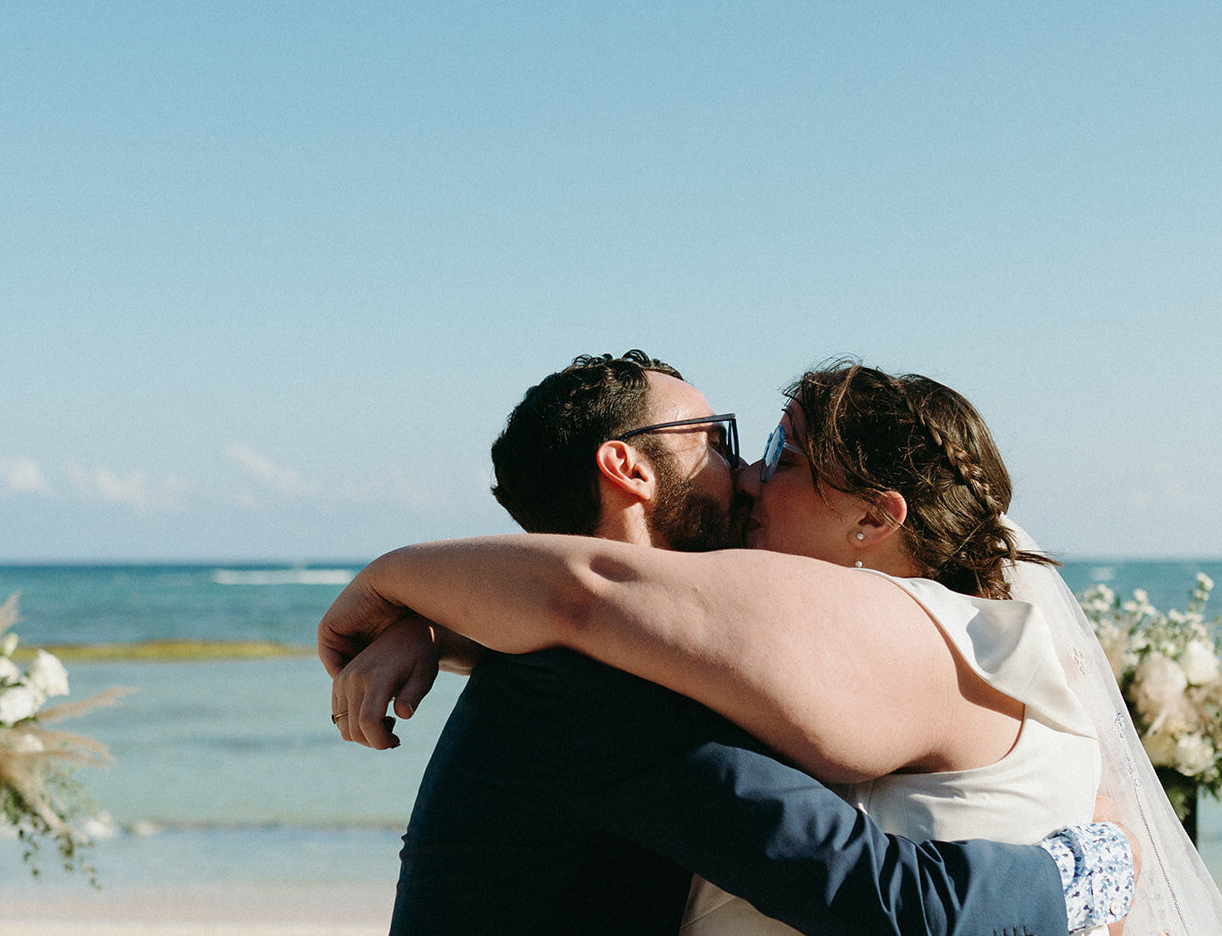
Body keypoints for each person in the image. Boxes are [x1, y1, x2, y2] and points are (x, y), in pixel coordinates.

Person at [323, 352, 1137, 935]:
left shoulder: (580, 659)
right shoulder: (601, 685)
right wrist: (1090, 867)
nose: (744, 469)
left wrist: (428, 622)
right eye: (714, 438)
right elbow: (891, 903)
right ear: (629, 469)